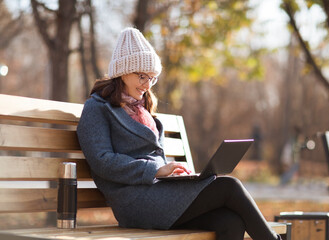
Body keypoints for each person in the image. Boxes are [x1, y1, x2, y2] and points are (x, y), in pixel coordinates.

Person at [77, 27, 282, 240]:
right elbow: (102, 161)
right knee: (229, 186)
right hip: (133, 200)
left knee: (230, 222)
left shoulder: (143, 108)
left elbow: (157, 160)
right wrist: (156, 170)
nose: (147, 85)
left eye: (152, 79)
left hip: (159, 195)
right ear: (123, 71)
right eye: (142, 77)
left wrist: (176, 175)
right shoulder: (98, 108)